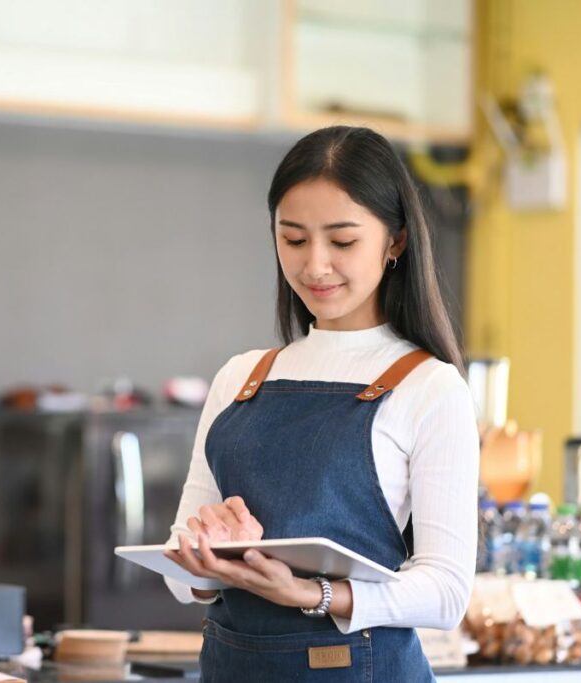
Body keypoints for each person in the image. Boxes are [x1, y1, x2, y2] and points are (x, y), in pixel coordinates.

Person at [162, 126, 479, 682]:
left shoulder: (430, 387)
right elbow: (181, 579)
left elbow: (447, 592)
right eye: (294, 238)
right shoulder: (241, 377)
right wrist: (208, 553)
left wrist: (313, 594)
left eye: (343, 240)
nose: (314, 265)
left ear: (395, 241)